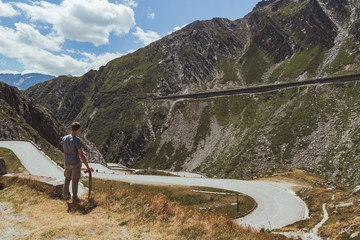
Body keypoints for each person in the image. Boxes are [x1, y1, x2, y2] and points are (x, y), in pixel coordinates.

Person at [61, 122, 92, 203]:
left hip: (67, 162)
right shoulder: (77, 141)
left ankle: (65, 196)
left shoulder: (64, 138)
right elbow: (81, 155)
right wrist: (87, 166)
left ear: (71, 128)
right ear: (78, 130)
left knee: (67, 179)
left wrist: (67, 158)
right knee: (75, 181)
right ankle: (75, 198)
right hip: (75, 163)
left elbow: (64, 150)